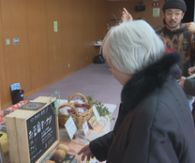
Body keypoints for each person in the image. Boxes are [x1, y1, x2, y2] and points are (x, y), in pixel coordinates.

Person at [78, 20, 195, 162]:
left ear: (125, 63)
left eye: (112, 66)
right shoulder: (163, 84)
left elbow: (146, 140)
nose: (113, 73)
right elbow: (132, 134)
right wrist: (99, 146)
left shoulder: (152, 115)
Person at [122, 0, 195, 110]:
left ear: (183, 15)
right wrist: (129, 25)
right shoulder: (156, 33)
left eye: (177, 13)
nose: (173, 17)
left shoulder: (190, 34)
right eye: (169, 13)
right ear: (163, 14)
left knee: (183, 120)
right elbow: (139, 44)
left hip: (183, 88)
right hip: (160, 86)